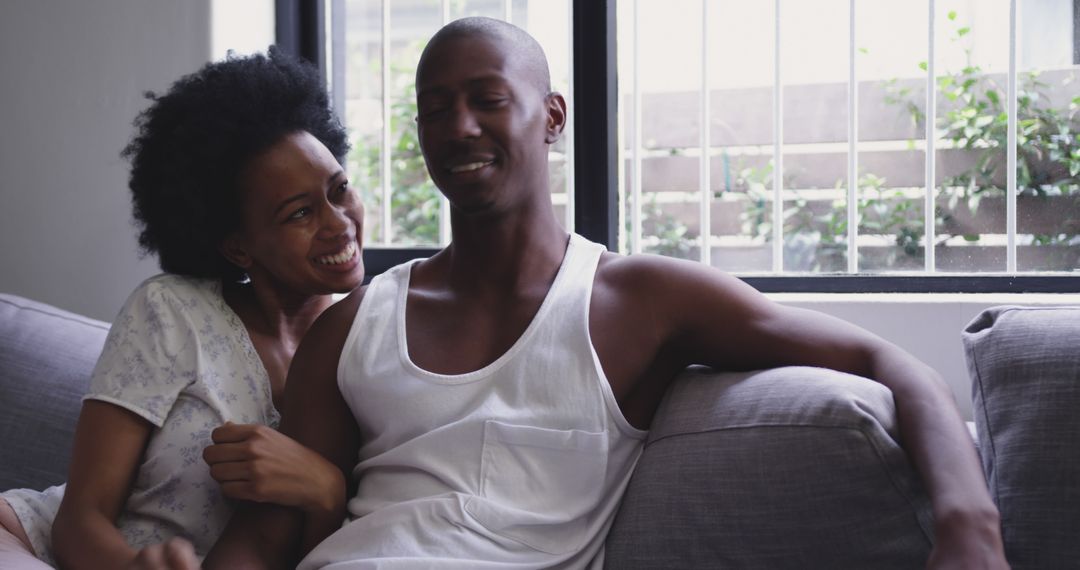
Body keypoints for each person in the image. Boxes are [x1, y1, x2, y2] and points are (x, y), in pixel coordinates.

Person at [205, 17, 1008, 569]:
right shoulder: (354, 325)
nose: (458, 128)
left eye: (487, 99)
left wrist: (969, 526)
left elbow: (886, 360)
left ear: (551, 118)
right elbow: (267, 532)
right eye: (435, 109)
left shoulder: (638, 301)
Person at [0, 48, 364, 569]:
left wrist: (324, 490)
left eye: (340, 189)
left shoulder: (376, 338)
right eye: (300, 212)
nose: (338, 223)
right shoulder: (172, 312)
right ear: (239, 247)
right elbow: (79, 521)